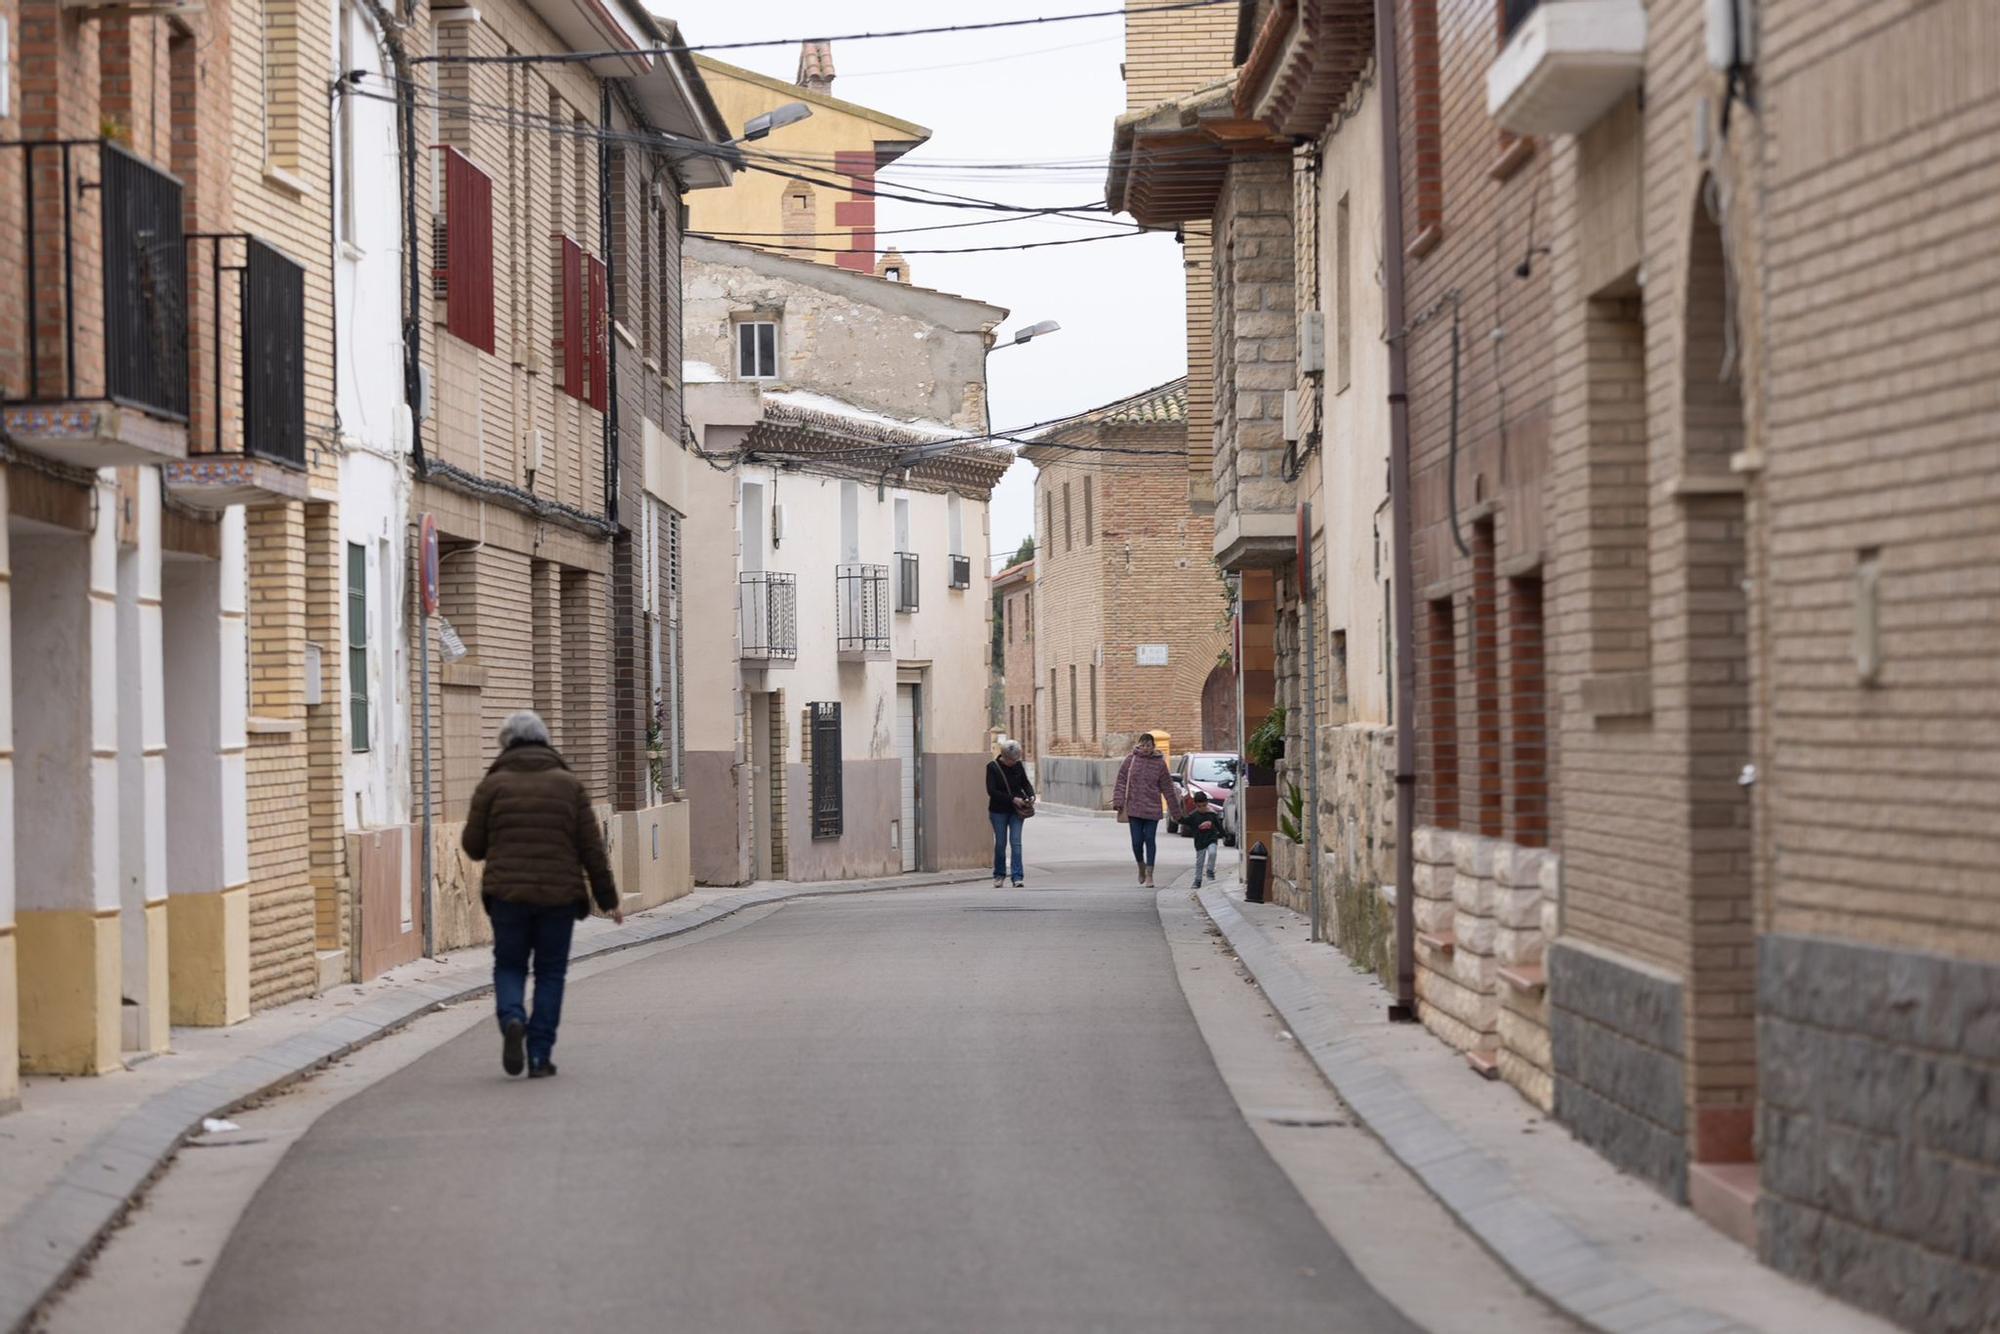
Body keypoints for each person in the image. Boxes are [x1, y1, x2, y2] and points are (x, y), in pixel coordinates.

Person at [462, 710, 622, 1080]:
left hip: (507, 895)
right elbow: (591, 849)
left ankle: (513, 1017)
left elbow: (473, 845)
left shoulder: (493, 785)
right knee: (550, 973)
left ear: (506, 743)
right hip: (558, 898)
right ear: (545, 741)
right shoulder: (568, 785)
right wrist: (609, 900)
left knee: (510, 965)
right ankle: (538, 1055)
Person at [1112, 733, 1181, 887]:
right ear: (1139, 745)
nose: (1145, 748)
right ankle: (1141, 866)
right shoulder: (1131, 760)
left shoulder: (1160, 764)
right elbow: (1121, 781)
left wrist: (1176, 812)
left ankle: (1150, 875)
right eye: (1143, 745)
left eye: (1148, 745)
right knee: (1137, 842)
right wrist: (1118, 801)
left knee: (1150, 839)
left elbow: (1168, 788)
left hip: (1152, 809)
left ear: (1153, 746)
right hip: (1134, 808)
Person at [986, 739, 1035, 887]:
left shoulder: (1018, 766)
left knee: (1016, 843)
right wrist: (1013, 799)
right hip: (998, 811)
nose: (1014, 762)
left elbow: (1025, 783)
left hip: (1016, 812)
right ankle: (999, 874)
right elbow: (992, 791)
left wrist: (1030, 794)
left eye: (1016, 759)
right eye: (1012, 760)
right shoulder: (992, 767)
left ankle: (1017, 876)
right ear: (1004, 757)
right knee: (1000, 843)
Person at [1181, 790, 1227, 889]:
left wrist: (1224, 835)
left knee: (1212, 853)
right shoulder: (1193, 816)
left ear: (1207, 803)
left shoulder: (1212, 814)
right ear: (1195, 805)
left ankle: (1210, 871)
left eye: (1204, 805)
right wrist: (1178, 810)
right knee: (1200, 862)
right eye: (1199, 806)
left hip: (1211, 839)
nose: (1202, 808)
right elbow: (1182, 820)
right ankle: (1197, 880)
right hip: (1200, 842)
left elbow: (1219, 826)